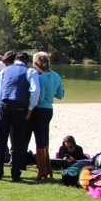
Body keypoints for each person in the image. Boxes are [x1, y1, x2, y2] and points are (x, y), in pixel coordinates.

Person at [0, 52, 39, 182]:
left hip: (4, 105)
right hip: (20, 106)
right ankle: (15, 172)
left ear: (15, 60)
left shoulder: (5, 70)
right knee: (18, 140)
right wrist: (30, 108)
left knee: (1, 139)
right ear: (27, 61)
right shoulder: (30, 71)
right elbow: (35, 90)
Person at [30, 52, 64, 180]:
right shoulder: (55, 75)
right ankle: (48, 167)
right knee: (45, 139)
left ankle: (42, 170)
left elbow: (40, 97)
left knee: (39, 140)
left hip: (40, 110)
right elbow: (60, 94)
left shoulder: (40, 78)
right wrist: (51, 92)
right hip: (49, 109)